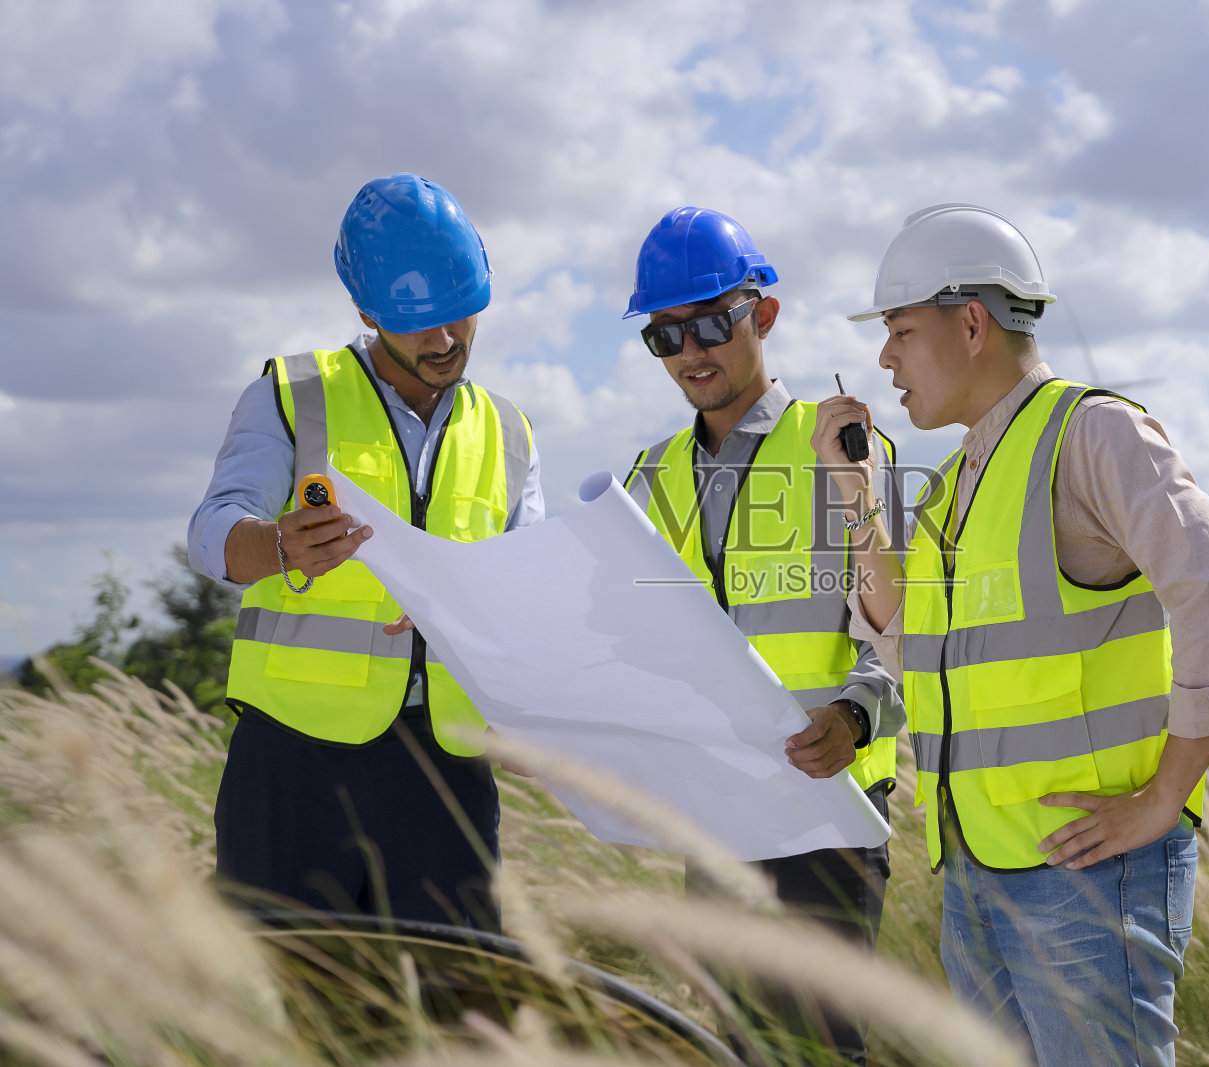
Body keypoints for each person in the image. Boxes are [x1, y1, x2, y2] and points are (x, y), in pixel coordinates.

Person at [828, 203, 1209, 1066]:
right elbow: (914, 651)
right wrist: (855, 494)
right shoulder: (955, 479)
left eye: (900, 331)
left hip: (1088, 879)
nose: (885, 359)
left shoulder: (1092, 433)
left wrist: (1163, 796)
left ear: (970, 323)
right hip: (975, 870)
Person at [188, 173, 544, 931]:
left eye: (459, 316)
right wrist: (279, 545)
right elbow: (211, 536)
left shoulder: (510, 431)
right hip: (293, 764)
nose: (444, 342)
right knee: (294, 1012)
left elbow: (526, 584)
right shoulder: (292, 393)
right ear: (365, 310)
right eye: (418, 325)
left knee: (452, 1016)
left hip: (444, 770)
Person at [620, 206, 902, 1063]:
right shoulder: (650, 478)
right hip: (717, 810)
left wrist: (855, 719)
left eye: (711, 323)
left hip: (828, 805)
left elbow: (909, 626)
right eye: (666, 335)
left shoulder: (841, 448)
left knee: (818, 1046)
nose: (691, 353)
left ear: (763, 317)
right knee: (730, 1045)